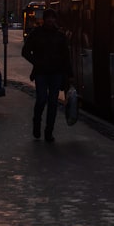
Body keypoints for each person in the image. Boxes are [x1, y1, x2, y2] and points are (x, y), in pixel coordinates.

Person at [21, 8, 72, 142]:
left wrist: (69, 74)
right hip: (41, 72)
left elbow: (66, 56)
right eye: (48, 18)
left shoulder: (60, 36)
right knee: (41, 99)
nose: (50, 20)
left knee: (53, 103)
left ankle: (49, 131)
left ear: (55, 20)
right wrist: (36, 62)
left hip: (56, 72)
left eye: (52, 18)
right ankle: (37, 122)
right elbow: (25, 51)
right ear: (44, 19)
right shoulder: (36, 33)